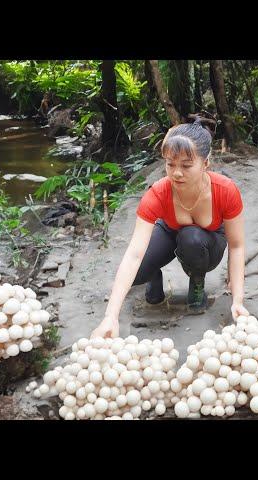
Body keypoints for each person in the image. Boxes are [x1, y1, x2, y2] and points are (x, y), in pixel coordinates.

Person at [91, 117, 248, 339]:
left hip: (208, 241)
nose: (176, 173)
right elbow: (134, 254)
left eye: (186, 165)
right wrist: (110, 316)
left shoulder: (225, 190)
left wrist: (237, 300)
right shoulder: (157, 193)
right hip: (169, 229)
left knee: (191, 237)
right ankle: (154, 274)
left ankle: (197, 280)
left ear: (205, 164)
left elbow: (237, 245)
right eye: (170, 164)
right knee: (137, 273)